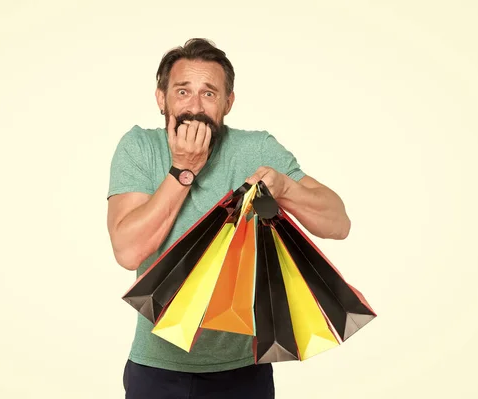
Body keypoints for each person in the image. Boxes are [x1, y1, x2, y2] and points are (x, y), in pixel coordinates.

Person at [106, 38, 351, 399]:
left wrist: (285, 187)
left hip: (243, 371)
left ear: (228, 102)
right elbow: (128, 252)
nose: (195, 106)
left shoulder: (256, 149)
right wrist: (183, 170)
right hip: (157, 369)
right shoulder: (139, 147)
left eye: (209, 93)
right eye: (183, 91)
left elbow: (338, 223)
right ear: (161, 98)